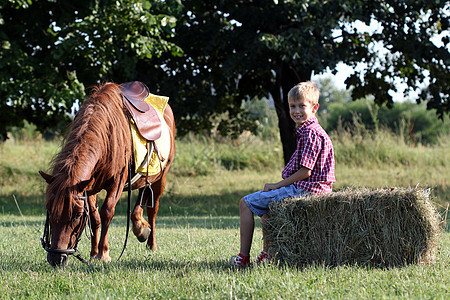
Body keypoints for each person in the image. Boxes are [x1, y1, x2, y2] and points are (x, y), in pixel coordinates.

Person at [230, 81, 336, 268]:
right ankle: (268, 254)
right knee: (266, 208)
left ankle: (243, 258)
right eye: (292, 106)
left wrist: (277, 185)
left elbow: (306, 172)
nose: (296, 111)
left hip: (308, 190)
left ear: (315, 107)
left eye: (302, 106)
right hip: (314, 188)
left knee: (245, 203)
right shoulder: (311, 130)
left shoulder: (310, 133)